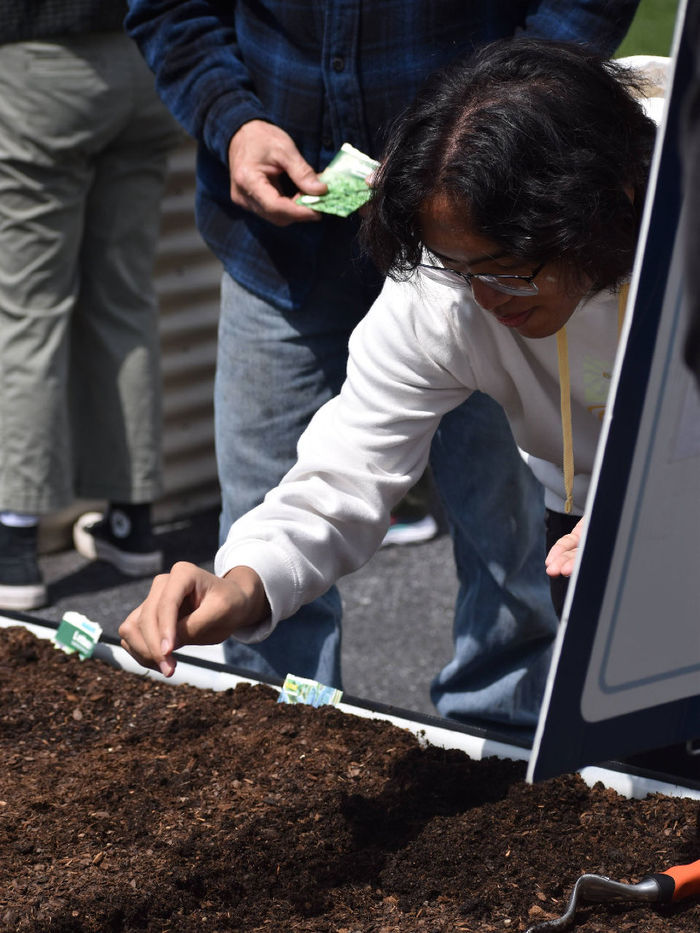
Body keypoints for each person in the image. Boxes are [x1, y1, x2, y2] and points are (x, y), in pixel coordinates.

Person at [125, 0, 639, 732]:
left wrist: (658, 513)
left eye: (510, 269)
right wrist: (241, 583)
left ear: (600, 208)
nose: (485, 298)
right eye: (460, 269)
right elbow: (346, 470)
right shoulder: (445, 284)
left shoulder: (671, 229)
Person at [0, 3, 182, 611]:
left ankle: (14, 549)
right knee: (125, 299)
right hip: (145, 59)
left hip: (42, 61)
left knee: (30, 312)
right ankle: (131, 525)